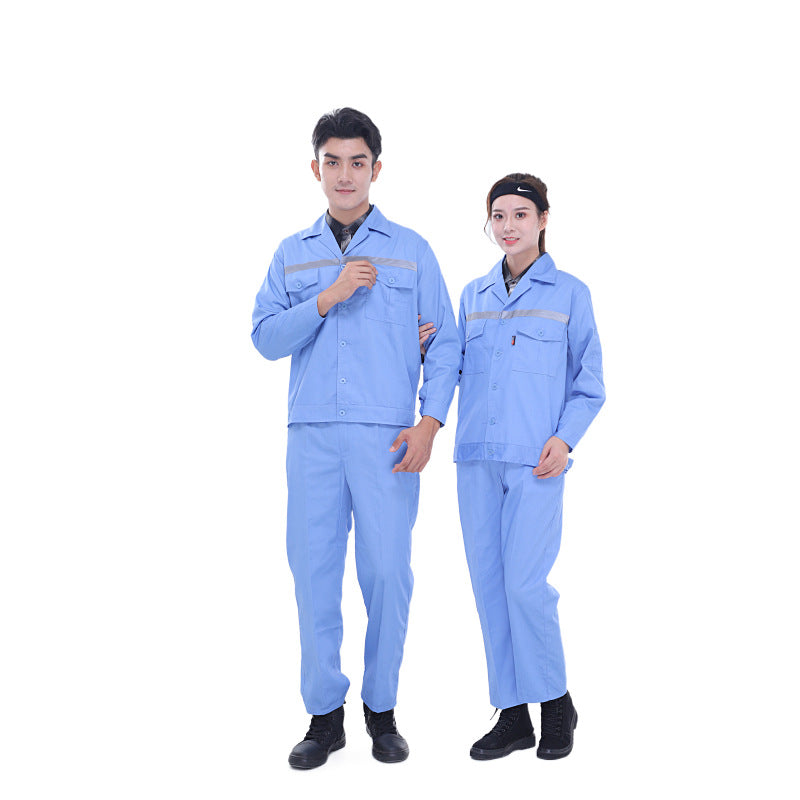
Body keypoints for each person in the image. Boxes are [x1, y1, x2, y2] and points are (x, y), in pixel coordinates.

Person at [250, 108, 460, 769]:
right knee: (314, 576)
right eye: (332, 162)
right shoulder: (292, 253)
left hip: (388, 439)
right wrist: (327, 296)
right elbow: (264, 338)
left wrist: (430, 422)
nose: (345, 174)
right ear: (315, 169)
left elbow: (445, 342)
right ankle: (324, 717)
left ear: (376, 168)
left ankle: (382, 709)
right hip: (312, 434)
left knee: (388, 574)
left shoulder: (411, 250)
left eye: (357, 162)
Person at [453, 173, 605, 761]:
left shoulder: (570, 294)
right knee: (490, 588)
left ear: (543, 219)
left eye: (520, 214)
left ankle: (555, 703)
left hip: (537, 462)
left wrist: (564, 440)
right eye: (499, 216)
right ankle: (513, 715)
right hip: (476, 459)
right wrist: (423, 348)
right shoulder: (473, 296)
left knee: (525, 586)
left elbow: (589, 382)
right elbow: (454, 369)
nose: (508, 226)